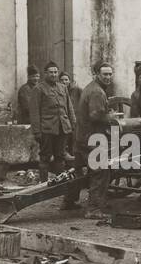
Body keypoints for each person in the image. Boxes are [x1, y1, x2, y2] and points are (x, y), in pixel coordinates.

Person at [67, 62, 119, 218]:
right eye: (105, 74)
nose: (108, 77)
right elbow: (95, 115)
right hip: (93, 138)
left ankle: (68, 202)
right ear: (97, 74)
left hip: (82, 137)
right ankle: (94, 209)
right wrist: (111, 118)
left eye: (110, 74)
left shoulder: (90, 87)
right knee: (101, 172)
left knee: (78, 172)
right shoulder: (97, 92)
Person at [34, 62, 74, 188]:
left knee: (60, 157)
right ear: (45, 73)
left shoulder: (63, 87)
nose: (53, 74)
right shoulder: (38, 89)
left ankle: (59, 184)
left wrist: (72, 124)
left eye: (55, 72)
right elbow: (34, 112)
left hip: (62, 127)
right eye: (51, 72)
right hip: (47, 128)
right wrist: (37, 132)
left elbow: (69, 108)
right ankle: (43, 186)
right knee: (45, 157)